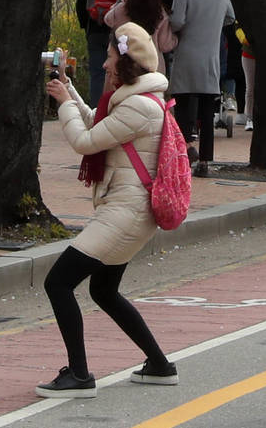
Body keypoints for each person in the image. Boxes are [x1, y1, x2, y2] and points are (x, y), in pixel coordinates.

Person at [37, 22, 178, 398]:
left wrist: (64, 105)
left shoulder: (137, 107)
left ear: (127, 61)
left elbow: (86, 141)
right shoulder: (137, 99)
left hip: (125, 211)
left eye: (112, 57)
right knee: (104, 290)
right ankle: (160, 365)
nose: (105, 64)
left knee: (59, 282)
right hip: (128, 209)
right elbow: (102, 127)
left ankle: (80, 375)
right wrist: (69, 92)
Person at [168, 0, 234, 177]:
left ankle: (185, 151)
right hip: (211, 57)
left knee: (183, 106)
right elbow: (230, 16)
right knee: (207, 111)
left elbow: (176, 22)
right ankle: (205, 160)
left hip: (187, 54)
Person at [106, 0, 176, 54]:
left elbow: (108, 19)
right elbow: (165, 45)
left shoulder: (123, 7)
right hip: (151, 63)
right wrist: (175, 39)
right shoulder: (160, 14)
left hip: (125, 61)